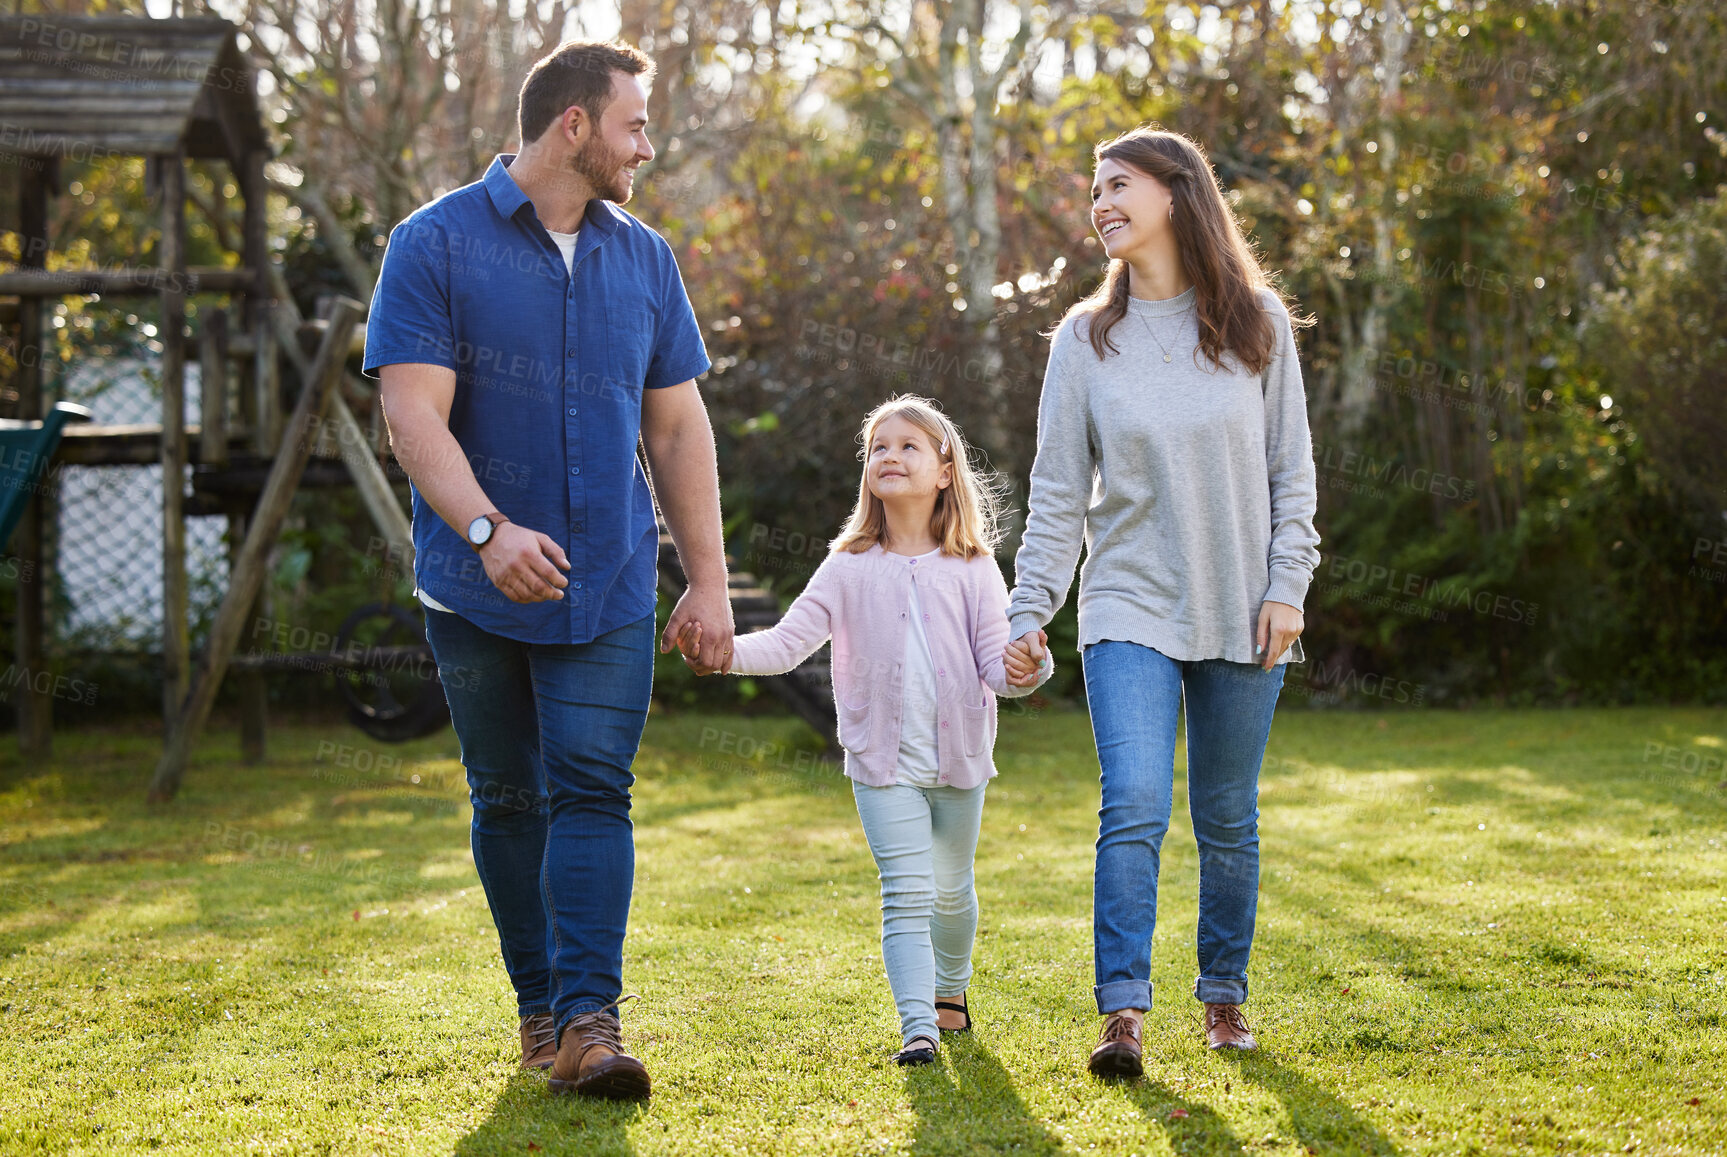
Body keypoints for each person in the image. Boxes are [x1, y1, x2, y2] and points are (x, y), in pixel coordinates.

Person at [364, 40, 734, 1101]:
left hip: (611, 577)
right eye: (635, 125)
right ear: (574, 125)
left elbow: (675, 429)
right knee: (508, 795)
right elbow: (410, 413)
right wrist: (489, 530)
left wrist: (704, 581)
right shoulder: (430, 243)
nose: (647, 148)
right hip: (472, 585)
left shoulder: (644, 257)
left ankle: (590, 1021)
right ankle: (540, 1007)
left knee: (592, 787)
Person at [1002, 127, 1321, 1076]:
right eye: (1092, 190)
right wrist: (1028, 613)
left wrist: (1288, 589)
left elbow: (1291, 475)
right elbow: (1057, 494)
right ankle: (1123, 1012)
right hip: (1126, 602)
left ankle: (1222, 997)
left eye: (1118, 185)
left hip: (1241, 605)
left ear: (1177, 194)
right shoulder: (1083, 340)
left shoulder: (1256, 322)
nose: (1099, 203)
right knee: (1133, 803)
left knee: (1226, 816)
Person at [679, 396, 1051, 1065]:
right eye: (878, 446)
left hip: (959, 760)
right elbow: (789, 643)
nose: (890, 455)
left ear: (944, 471)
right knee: (906, 890)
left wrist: (1031, 663)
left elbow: (1002, 670)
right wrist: (725, 651)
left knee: (952, 888)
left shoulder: (972, 567)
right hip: (880, 763)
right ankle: (918, 1026)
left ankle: (951, 990)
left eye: (909, 445)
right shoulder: (847, 564)